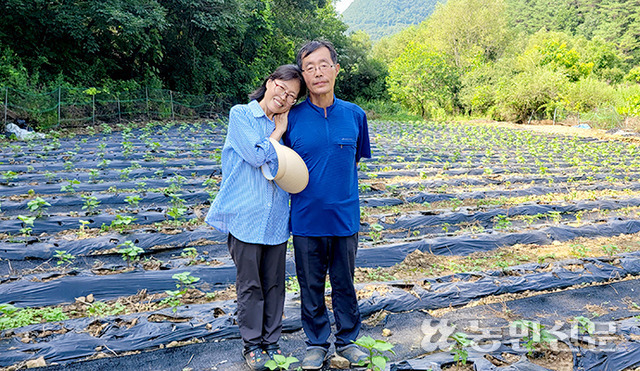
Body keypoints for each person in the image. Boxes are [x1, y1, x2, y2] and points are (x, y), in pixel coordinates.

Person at [205, 64, 305, 371]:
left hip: (275, 218)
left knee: (274, 284)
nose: (284, 97)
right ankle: (252, 345)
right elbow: (257, 156)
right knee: (250, 285)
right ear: (269, 82)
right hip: (246, 217)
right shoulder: (242, 115)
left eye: (292, 95)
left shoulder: (289, 122)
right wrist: (277, 132)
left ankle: (271, 342)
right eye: (282, 88)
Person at [284, 40, 372, 370]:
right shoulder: (291, 118)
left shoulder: (355, 115)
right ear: (303, 76)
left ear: (336, 69)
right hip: (306, 218)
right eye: (310, 67)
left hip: (344, 217)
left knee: (344, 282)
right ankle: (317, 342)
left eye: (324, 64)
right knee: (310, 284)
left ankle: (348, 340)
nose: (318, 72)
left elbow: (353, 161)